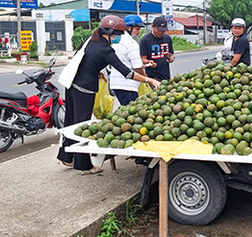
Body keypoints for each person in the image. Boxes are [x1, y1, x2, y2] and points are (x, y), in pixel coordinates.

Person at [57, 15, 160, 174]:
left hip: (72, 84)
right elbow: (127, 73)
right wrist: (149, 80)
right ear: (110, 32)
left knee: (71, 121)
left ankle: (65, 156)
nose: (118, 38)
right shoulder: (106, 49)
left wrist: (95, 69)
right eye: (117, 34)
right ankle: (83, 165)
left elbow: (84, 57)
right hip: (84, 89)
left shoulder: (91, 39)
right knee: (81, 124)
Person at [109, 14, 145, 105]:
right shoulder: (131, 43)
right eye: (137, 29)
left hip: (116, 83)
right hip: (127, 85)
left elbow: (124, 60)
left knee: (126, 110)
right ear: (128, 28)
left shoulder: (117, 40)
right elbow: (137, 66)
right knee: (131, 114)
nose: (138, 32)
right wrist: (145, 77)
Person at [140, 16, 175, 81]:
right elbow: (143, 59)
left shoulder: (167, 39)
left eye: (163, 31)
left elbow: (171, 54)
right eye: (159, 30)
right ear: (153, 26)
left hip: (166, 76)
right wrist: (149, 62)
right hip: (152, 78)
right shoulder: (145, 40)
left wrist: (171, 58)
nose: (161, 32)